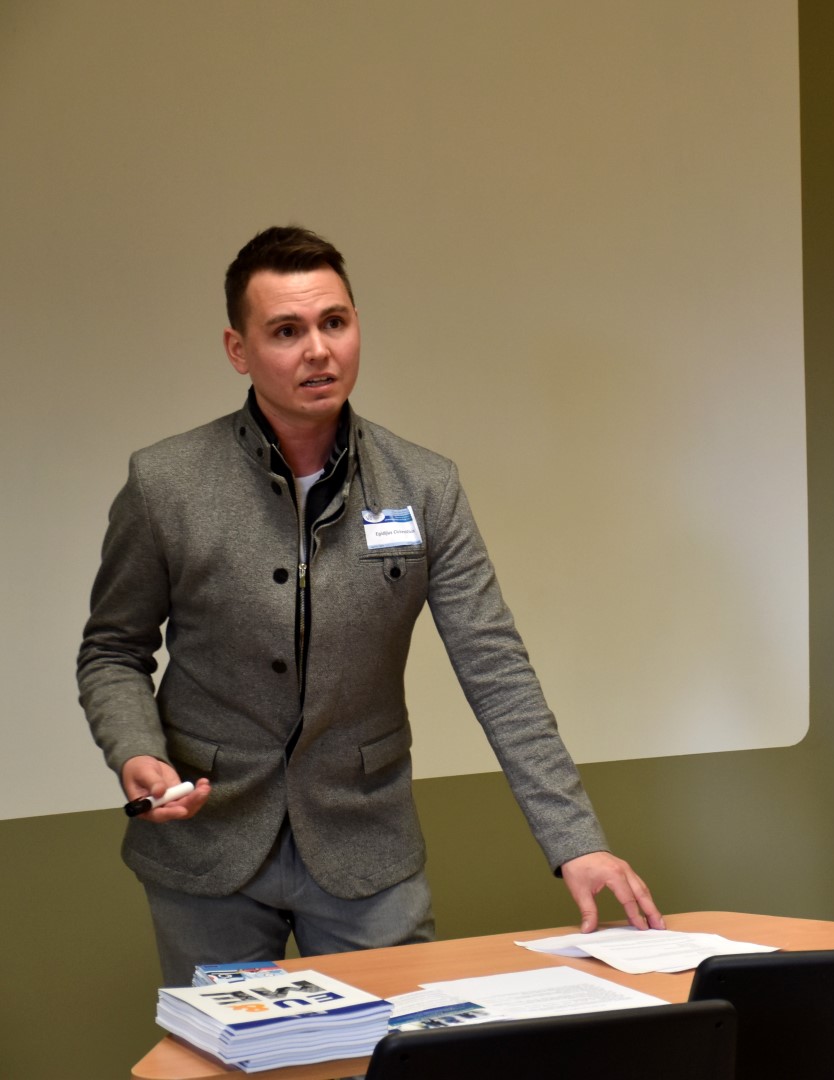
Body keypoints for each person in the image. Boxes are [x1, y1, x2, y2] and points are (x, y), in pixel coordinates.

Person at [77, 225, 663, 986]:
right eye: (286, 331)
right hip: (208, 842)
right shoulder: (166, 484)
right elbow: (113, 650)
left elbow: (496, 667)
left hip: (366, 844)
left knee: (398, 1042)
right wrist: (136, 751)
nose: (318, 350)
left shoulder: (424, 486)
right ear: (238, 350)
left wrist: (575, 839)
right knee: (225, 1050)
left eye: (334, 322)